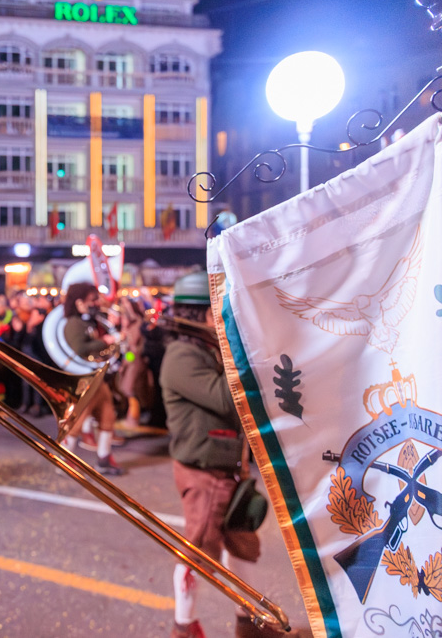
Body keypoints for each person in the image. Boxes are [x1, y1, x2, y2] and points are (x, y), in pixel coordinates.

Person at [159, 271, 282, 638]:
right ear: (202, 315)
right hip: (204, 469)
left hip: (223, 466)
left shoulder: (202, 350)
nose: (224, 319)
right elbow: (230, 402)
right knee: (197, 550)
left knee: (238, 547)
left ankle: (250, 620)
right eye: (218, 313)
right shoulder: (182, 355)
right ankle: (184, 626)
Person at [62, 282, 124, 475]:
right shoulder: (74, 323)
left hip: (97, 375)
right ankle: (64, 458)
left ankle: (104, 458)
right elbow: (79, 348)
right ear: (80, 302)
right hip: (84, 377)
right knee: (79, 418)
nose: (96, 303)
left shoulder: (88, 321)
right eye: (92, 299)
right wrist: (104, 341)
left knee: (107, 415)